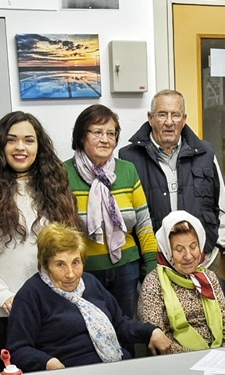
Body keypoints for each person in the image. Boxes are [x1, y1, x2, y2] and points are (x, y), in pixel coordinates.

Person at [0, 111, 81, 373]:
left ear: (39, 146)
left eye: (28, 140)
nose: (20, 147)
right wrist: (4, 296)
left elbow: (66, 249)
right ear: (1, 145)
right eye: (11, 140)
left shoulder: (56, 189)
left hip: (48, 306)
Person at [7, 222, 171, 372]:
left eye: (76, 262)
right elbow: (18, 349)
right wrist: (47, 362)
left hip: (116, 366)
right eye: (60, 264)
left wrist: (151, 331)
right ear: (45, 265)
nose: (71, 274)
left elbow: (119, 324)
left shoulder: (90, 282)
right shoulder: (31, 294)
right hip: (72, 374)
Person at [118, 89, 225, 270]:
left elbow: (222, 205)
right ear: (150, 118)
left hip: (203, 261)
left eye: (175, 115)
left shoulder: (205, 153)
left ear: (184, 119)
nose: (169, 122)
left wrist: (218, 246)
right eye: (162, 114)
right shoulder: (129, 158)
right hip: (154, 264)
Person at [66, 104, 158, 319]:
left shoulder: (127, 170)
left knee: (126, 329)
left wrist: (153, 267)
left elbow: (144, 224)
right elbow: (60, 232)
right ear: (81, 136)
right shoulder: (63, 173)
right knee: (89, 330)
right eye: (97, 132)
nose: (105, 139)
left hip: (127, 269)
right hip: (83, 272)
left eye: (111, 133)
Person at [137, 211, 225, 353]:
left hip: (220, 355)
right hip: (180, 360)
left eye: (193, 247)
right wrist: (199, 357)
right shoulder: (153, 284)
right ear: (167, 252)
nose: (188, 256)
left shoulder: (208, 277)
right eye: (179, 250)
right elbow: (159, 339)